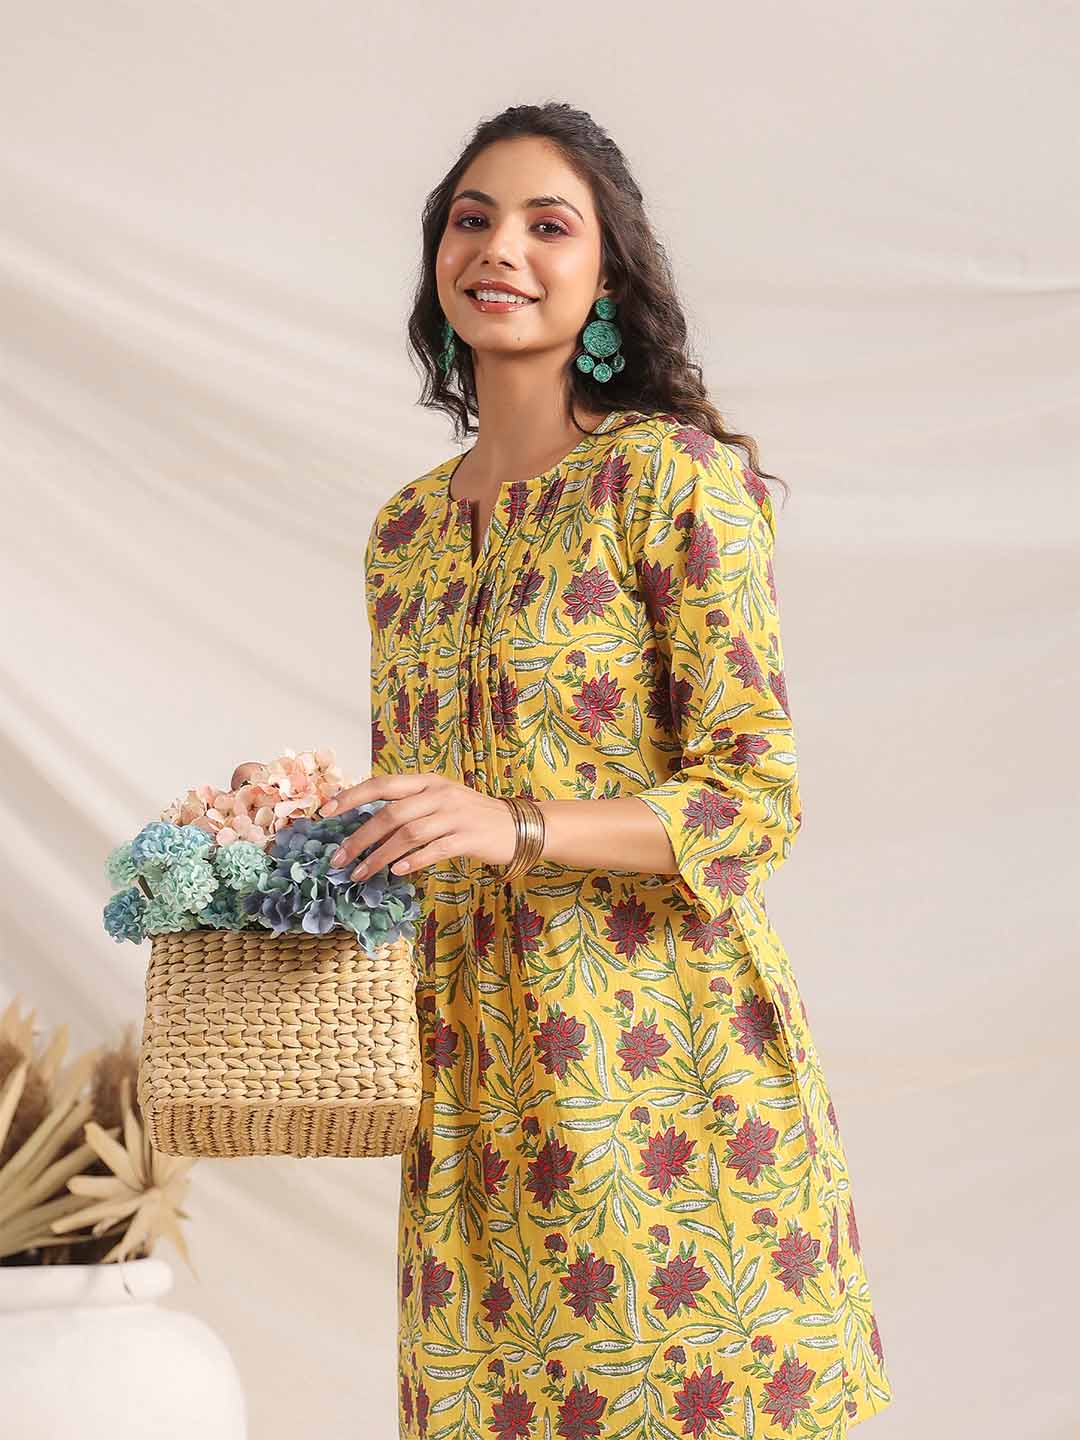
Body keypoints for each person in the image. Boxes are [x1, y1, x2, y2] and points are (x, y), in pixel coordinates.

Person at [329, 104, 894, 1436]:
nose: (500, 249)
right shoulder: (405, 535)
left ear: (606, 277)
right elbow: (429, 820)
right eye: (472, 220)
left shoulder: (669, 482)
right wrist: (302, 821)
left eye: (549, 224)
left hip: (665, 1079)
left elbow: (751, 801)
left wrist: (516, 826)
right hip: (473, 1092)